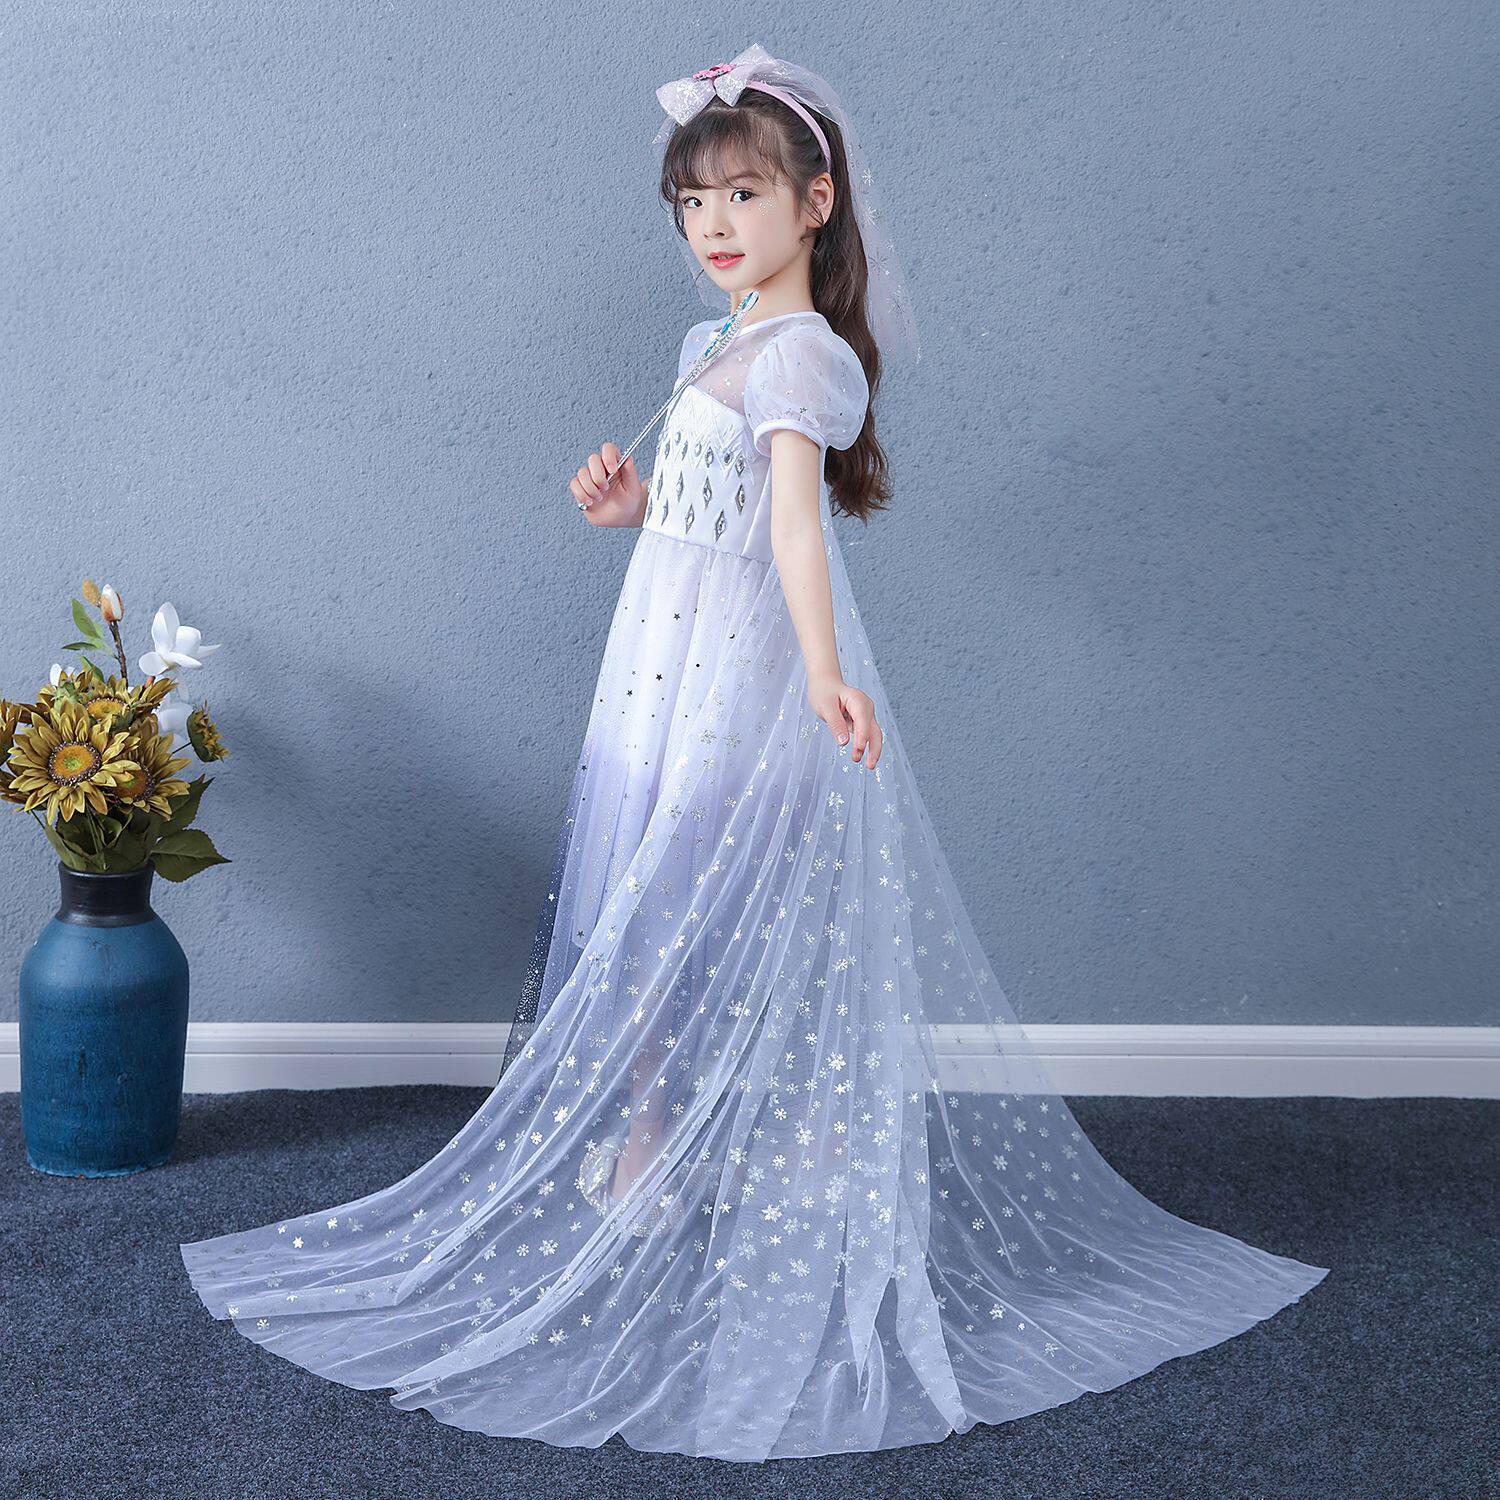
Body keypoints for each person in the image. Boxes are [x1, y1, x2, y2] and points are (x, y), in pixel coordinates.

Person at [180, 43, 1328, 1463]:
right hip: (664, 667)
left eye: (742, 194)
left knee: (722, 903)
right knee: (651, 899)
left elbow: (796, 526)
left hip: (745, 681)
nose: (714, 225)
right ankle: (656, 1133)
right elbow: (709, 511)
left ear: (814, 202)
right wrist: (633, 511)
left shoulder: (806, 357)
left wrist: (829, 675)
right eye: (693, 203)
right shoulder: (709, 347)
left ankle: (775, 1148)